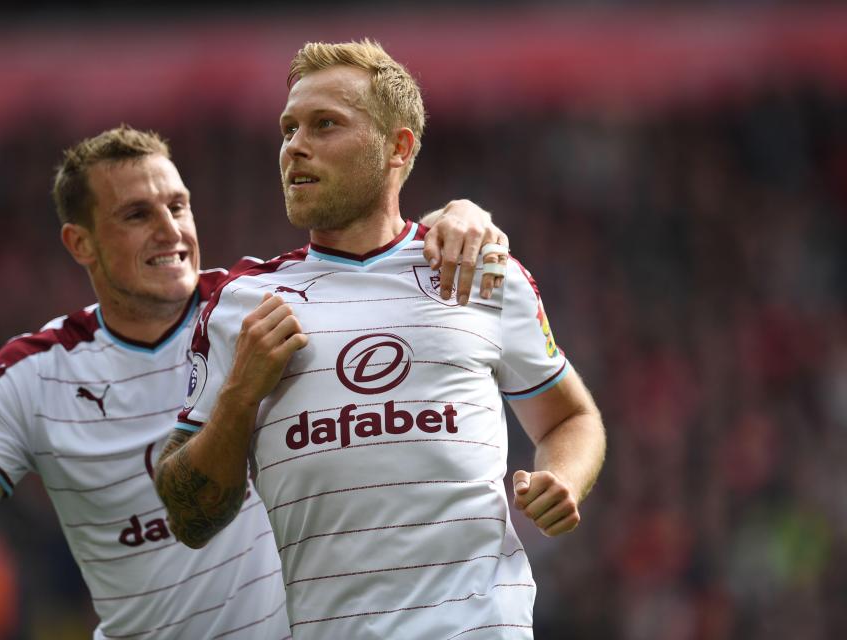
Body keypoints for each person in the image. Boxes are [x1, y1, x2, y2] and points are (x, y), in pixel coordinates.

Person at [0, 125, 510, 639]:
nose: (170, 229)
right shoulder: (29, 376)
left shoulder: (262, 304)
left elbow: (380, 253)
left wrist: (461, 216)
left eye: (177, 205)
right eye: (137, 214)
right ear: (80, 243)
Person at [156, 39, 607, 639]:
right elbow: (190, 517)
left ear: (398, 147)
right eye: (288, 128)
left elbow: (570, 418)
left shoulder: (479, 268)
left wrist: (562, 479)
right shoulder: (241, 302)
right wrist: (239, 395)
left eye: (325, 124)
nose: (296, 146)